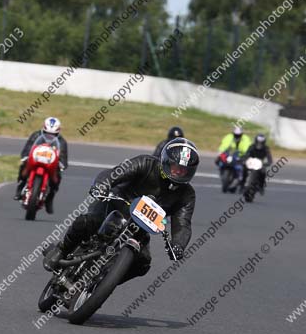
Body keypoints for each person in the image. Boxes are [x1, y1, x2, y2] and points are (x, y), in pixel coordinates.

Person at [44, 138, 199, 285]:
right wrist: (102, 185)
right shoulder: (146, 163)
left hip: (140, 228)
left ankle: (104, 282)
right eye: (176, 167)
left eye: (184, 170)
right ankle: (61, 250)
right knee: (86, 222)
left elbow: (182, 223)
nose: (179, 172)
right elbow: (114, 173)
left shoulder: (187, 194)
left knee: (143, 263)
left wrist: (178, 245)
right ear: (166, 161)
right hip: (114, 206)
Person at [14, 117, 69, 214]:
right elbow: (28, 147)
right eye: (47, 133)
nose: (50, 136)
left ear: (58, 132)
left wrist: (62, 164)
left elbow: (63, 155)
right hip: (36, 158)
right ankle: (20, 186)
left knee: (58, 177)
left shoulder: (62, 141)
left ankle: (50, 198)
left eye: (53, 134)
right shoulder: (36, 135)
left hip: (51, 162)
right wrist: (25, 156)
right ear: (43, 129)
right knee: (23, 166)